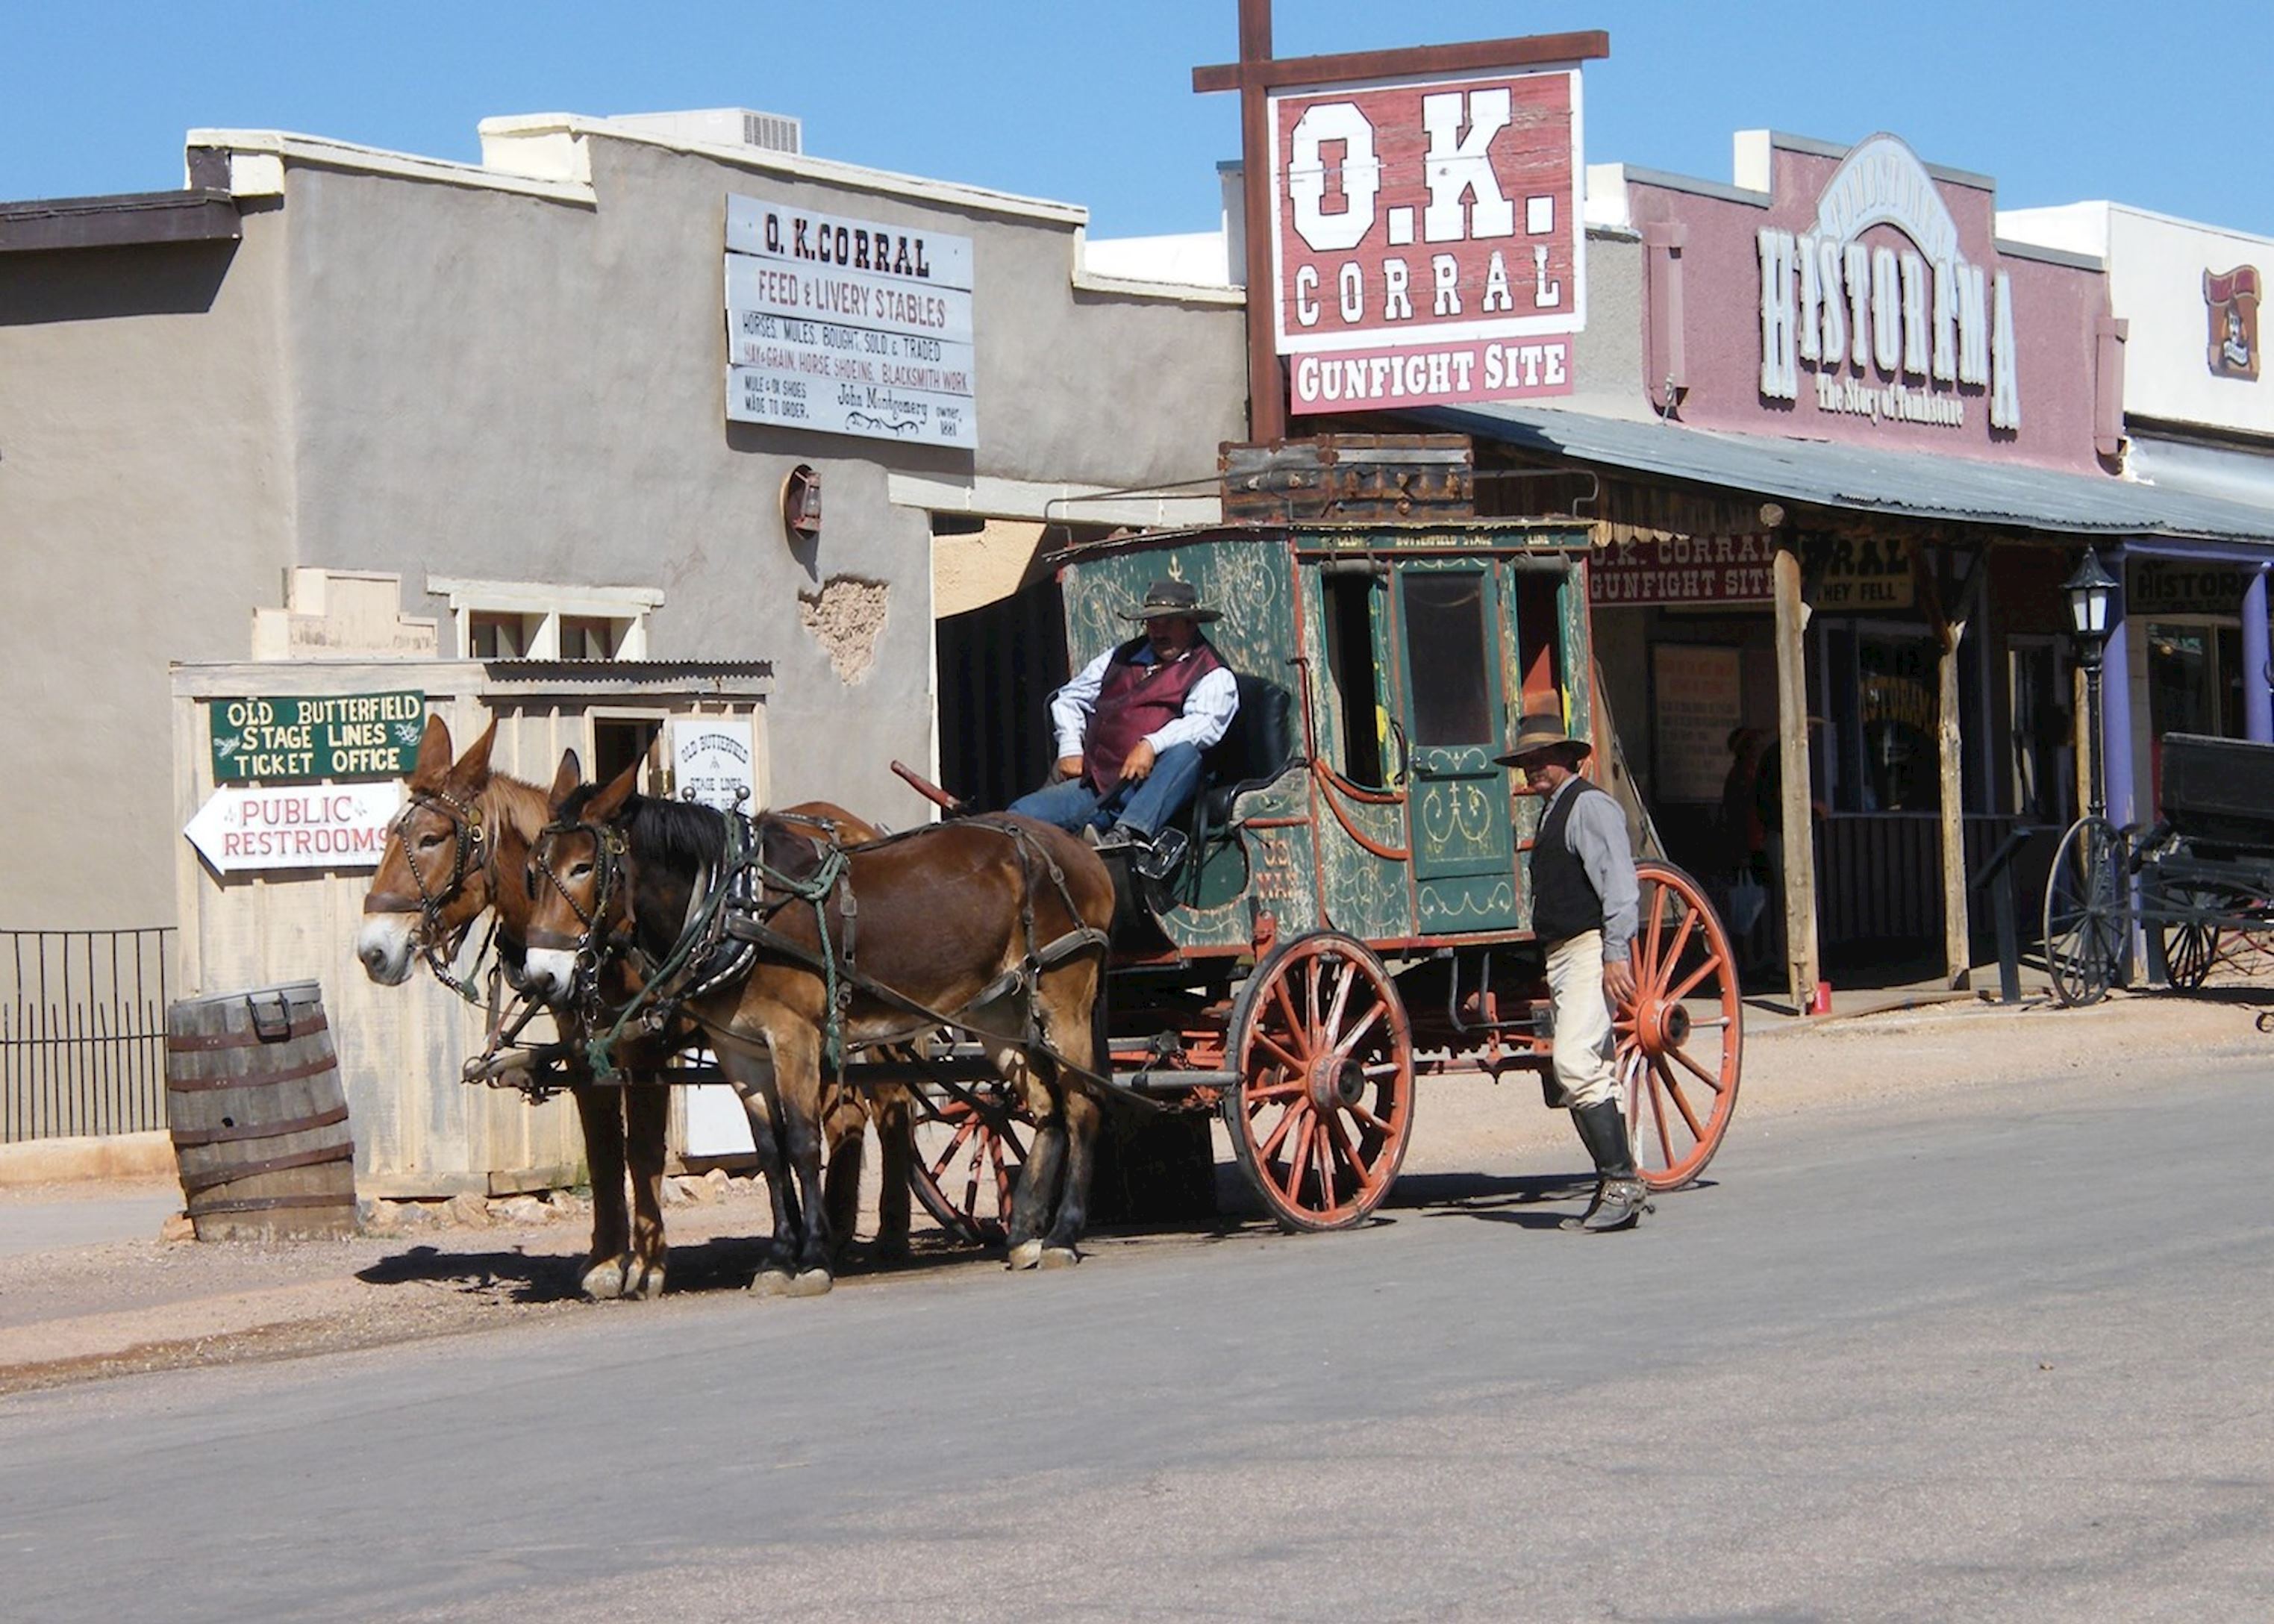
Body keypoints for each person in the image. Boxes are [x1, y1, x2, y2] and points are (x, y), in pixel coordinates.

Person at [1495, 712, 1649, 1233]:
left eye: (1542, 759)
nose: (1532, 769)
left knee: (1574, 1064)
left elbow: (1620, 887)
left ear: (1569, 759)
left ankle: (1622, 1181)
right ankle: (1615, 1187)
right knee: (1593, 1069)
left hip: (1587, 949)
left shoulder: (1589, 806)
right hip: (1564, 953)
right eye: (1526, 762)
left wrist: (1613, 954)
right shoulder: (1554, 811)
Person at [1008, 578, 1239, 876]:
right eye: (1152, 623)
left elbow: (1205, 724)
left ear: (1191, 624)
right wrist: (1070, 748)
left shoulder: (1213, 674)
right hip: (1098, 787)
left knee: (1185, 753)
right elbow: (1068, 699)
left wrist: (1150, 744)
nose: (1158, 632)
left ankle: (1127, 838)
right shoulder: (1121, 657)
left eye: (1168, 623)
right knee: (1017, 819)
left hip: (1153, 791)